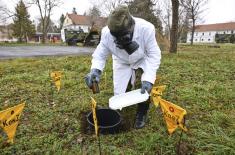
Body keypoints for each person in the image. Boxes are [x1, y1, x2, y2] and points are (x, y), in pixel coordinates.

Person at [85, 5, 161, 129]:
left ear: (132, 27)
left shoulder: (146, 29)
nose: (119, 40)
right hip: (121, 61)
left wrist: (148, 78)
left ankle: (142, 111)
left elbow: (154, 54)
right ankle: (120, 109)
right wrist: (95, 70)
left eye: (123, 36)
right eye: (117, 37)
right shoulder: (106, 34)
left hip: (142, 60)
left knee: (142, 89)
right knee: (120, 92)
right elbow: (100, 55)